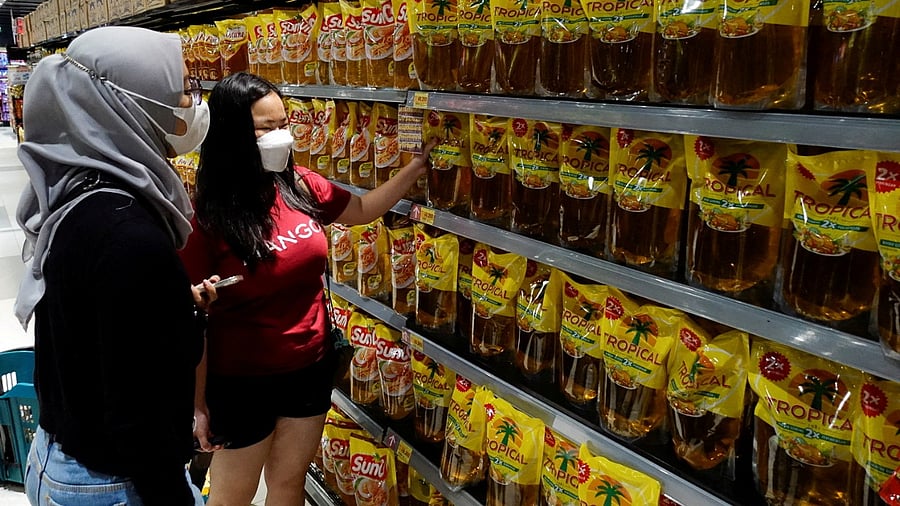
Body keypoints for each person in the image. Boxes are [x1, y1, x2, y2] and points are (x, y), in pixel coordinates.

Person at [180, 72, 435, 505]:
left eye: (283, 124)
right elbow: (193, 319)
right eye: (265, 127)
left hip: (309, 367)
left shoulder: (300, 184)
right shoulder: (206, 216)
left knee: (288, 483)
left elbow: (360, 210)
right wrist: (197, 403)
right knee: (232, 497)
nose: (281, 136)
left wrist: (415, 167)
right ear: (230, 133)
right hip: (241, 381)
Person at [16, 26, 220, 505]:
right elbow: (139, 412)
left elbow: (93, 330)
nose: (191, 103)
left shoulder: (80, 189)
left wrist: (169, 307)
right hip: (114, 482)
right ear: (134, 103)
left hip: (60, 453)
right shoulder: (129, 233)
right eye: (181, 90)